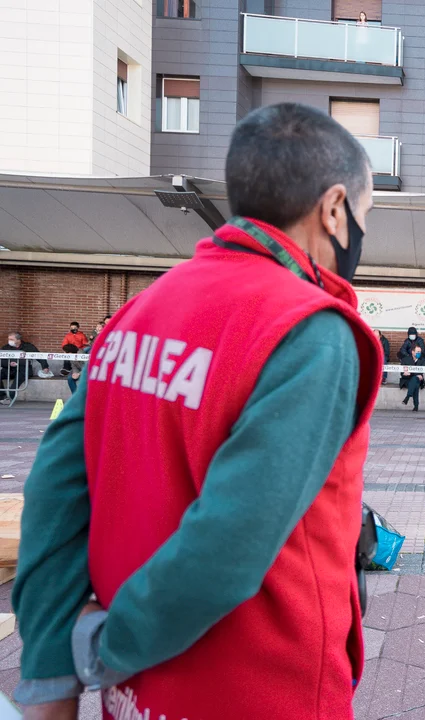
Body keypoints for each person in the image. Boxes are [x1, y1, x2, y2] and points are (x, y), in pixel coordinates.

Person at [12, 103, 380, 720]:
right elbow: (230, 542)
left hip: (135, 693)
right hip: (261, 689)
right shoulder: (311, 330)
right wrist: (108, 649)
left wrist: (51, 673)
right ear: (335, 208)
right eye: (366, 214)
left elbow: (56, 490)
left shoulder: (141, 310)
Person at [2, 333, 53, 405]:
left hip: (23, 369)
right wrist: (9, 363)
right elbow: (1, 360)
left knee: (15, 384)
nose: (9, 341)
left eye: (11, 339)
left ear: (18, 340)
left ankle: (10, 398)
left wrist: (45, 367)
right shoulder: (6, 348)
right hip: (9, 369)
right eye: (9, 339)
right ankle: (2, 397)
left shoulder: (28, 346)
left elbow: (39, 356)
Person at [400, 345, 425, 411]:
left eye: (420, 352)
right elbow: (402, 373)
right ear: (413, 352)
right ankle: (416, 406)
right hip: (407, 380)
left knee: (414, 380)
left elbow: (421, 372)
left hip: (417, 379)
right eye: (417, 352)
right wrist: (405, 373)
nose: (419, 353)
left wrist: (411, 373)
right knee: (415, 384)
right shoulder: (405, 360)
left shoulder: (422, 360)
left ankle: (408, 397)